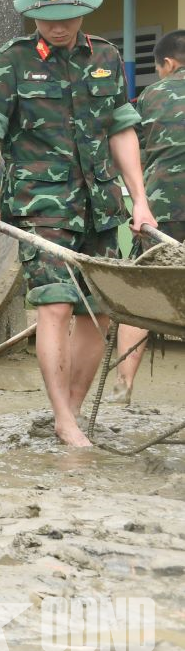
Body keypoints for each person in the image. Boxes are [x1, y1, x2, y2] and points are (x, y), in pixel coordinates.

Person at [0, 0, 156, 447]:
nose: (57, 25)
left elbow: (121, 128)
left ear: (86, 10)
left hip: (101, 205)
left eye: (68, 16)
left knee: (99, 312)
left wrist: (139, 200)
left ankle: (70, 412)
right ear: (31, 12)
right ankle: (64, 418)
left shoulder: (107, 57)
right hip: (40, 206)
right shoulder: (9, 62)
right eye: (47, 16)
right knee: (54, 307)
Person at [111, 29, 185, 404]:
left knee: (137, 297)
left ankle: (123, 387)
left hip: (162, 210)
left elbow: (125, 144)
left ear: (167, 64)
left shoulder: (154, 95)